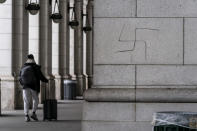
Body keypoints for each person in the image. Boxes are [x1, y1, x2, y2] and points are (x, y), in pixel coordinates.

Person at [19, 54, 48, 122]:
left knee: (26, 101)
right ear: (33, 59)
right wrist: (46, 80)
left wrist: (22, 84)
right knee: (36, 100)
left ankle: (26, 116)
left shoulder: (23, 67)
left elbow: (20, 77)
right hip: (34, 86)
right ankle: (33, 113)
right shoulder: (35, 67)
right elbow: (41, 76)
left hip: (25, 86)